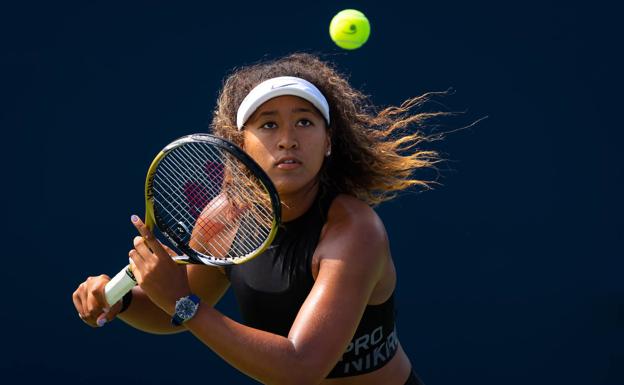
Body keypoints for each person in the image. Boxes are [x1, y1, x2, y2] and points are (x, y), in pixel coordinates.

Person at [72, 53, 447, 385]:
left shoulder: (354, 231)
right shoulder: (224, 218)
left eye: (304, 122)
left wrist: (184, 302)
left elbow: (300, 368)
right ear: (240, 144)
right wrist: (119, 302)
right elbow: (164, 308)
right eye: (268, 125)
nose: (288, 139)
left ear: (328, 141)